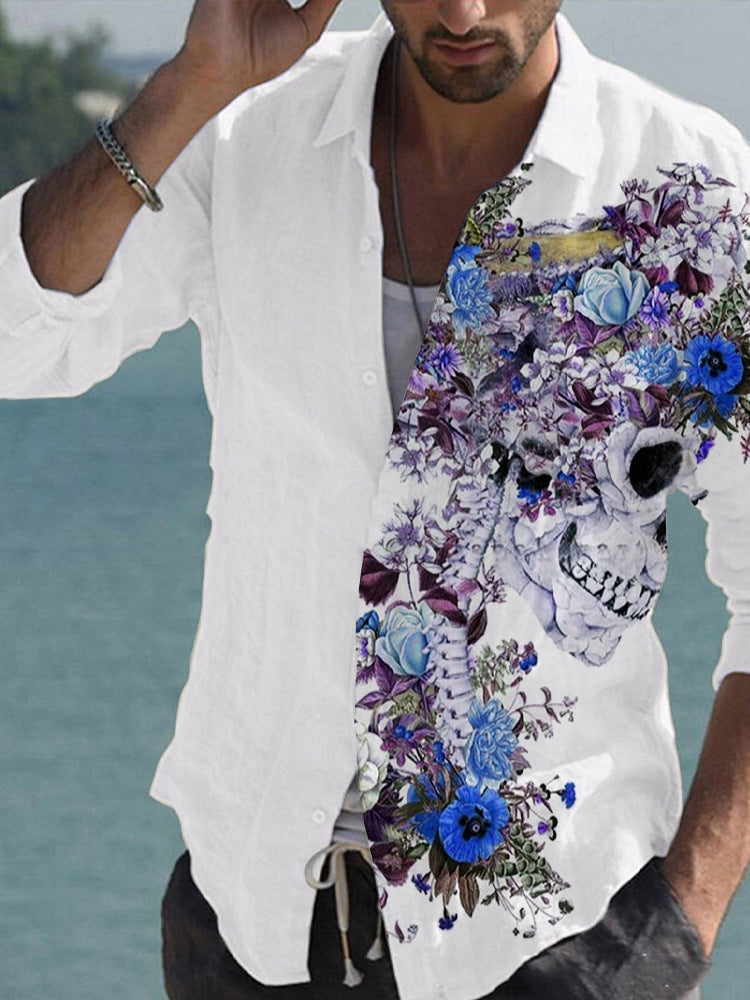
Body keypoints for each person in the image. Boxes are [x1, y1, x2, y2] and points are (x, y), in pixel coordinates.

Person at [0, 1, 748, 998]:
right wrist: (190, 83)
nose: (464, 11)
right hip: (251, 930)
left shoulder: (691, 194)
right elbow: (19, 341)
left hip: (557, 941)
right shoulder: (243, 127)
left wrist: (684, 918)